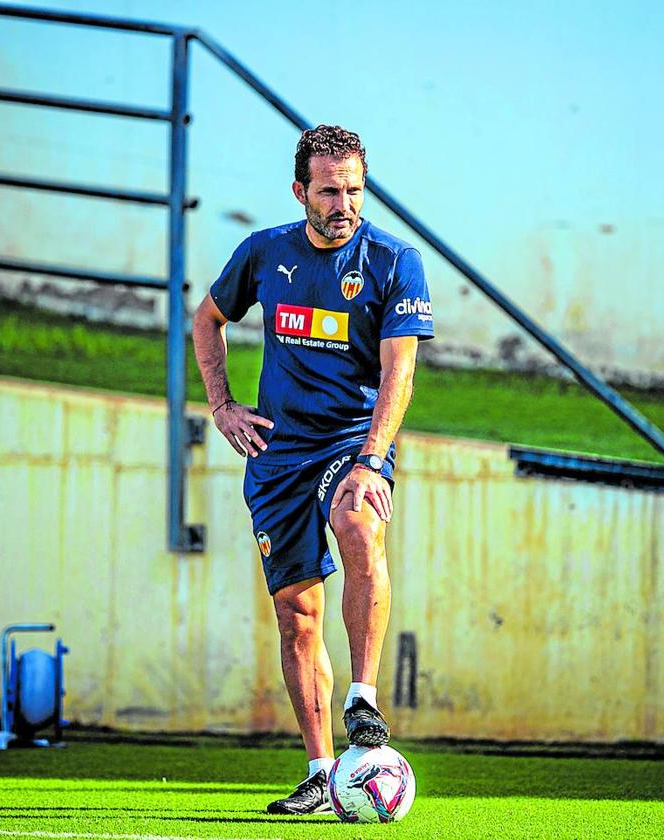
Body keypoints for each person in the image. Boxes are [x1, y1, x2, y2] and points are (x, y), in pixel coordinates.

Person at [192, 125, 434, 816]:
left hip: (349, 444)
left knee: (360, 523)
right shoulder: (264, 252)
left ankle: (364, 699)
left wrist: (372, 459)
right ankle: (324, 774)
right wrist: (222, 405)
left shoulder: (394, 261)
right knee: (298, 619)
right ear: (301, 190)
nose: (343, 202)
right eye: (329, 190)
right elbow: (205, 320)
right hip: (275, 460)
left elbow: (400, 372)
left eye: (354, 189)